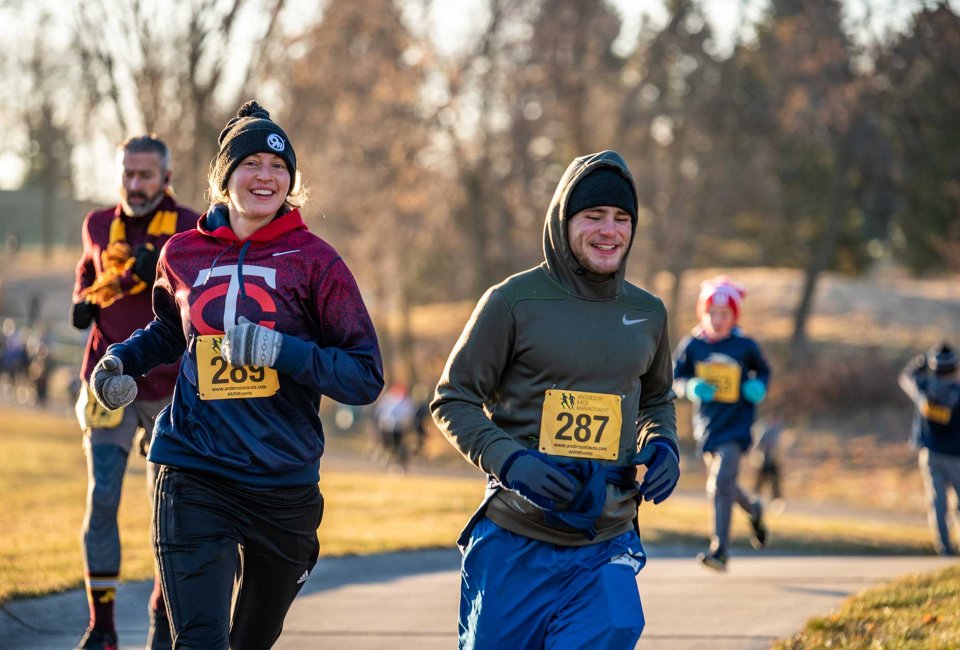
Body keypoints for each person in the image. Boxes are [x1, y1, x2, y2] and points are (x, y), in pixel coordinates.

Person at [89, 100, 384, 648]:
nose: (264, 176)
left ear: (291, 180)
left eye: (277, 167)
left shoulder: (317, 262)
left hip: (283, 482)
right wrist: (119, 360)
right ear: (224, 177)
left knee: (251, 639)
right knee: (201, 642)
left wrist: (281, 350)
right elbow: (169, 333)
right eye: (250, 163)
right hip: (193, 468)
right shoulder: (183, 253)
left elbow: (364, 376)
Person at [432, 151, 680, 649]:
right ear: (564, 219)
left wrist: (664, 444)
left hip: (604, 540)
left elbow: (656, 399)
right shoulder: (512, 302)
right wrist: (511, 461)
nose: (609, 231)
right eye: (594, 217)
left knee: (614, 624)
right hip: (515, 539)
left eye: (622, 218)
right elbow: (452, 399)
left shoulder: (648, 312)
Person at [70, 134, 198, 650]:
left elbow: (201, 297)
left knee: (165, 509)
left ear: (166, 178)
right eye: (128, 174)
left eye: (146, 175)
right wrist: (81, 299)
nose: (135, 184)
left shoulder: (188, 227)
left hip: (169, 388)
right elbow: (88, 271)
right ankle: (102, 629)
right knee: (102, 498)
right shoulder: (99, 224)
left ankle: (161, 622)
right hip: (105, 382)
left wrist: (162, 266)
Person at [673, 275, 771, 571]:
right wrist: (689, 387)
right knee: (725, 484)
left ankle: (721, 550)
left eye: (724, 314)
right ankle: (754, 507)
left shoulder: (745, 345)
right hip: (708, 426)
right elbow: (673, 379)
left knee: (718, 483)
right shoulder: (693, 345)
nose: (717, 320)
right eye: (711, 313)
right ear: (702, 313)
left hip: (737, 425)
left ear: (734, 316)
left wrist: (757, 387)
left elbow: (764, 372)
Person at [898, 343, 960, 556]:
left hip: (931, 454)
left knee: (938, 502)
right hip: (956, 457)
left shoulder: (924, 386)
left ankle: (944, 548)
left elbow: (906, 377)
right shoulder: (957, 391)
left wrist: (922, 362)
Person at [751, 411, 786, 512]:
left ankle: (775, 503)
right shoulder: (766, 430)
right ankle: (754, 503)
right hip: (764, 460)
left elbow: (779, 448)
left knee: (775, 484)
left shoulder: (777, 430)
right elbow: (758, 445)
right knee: (760, 483)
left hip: (773, 461)